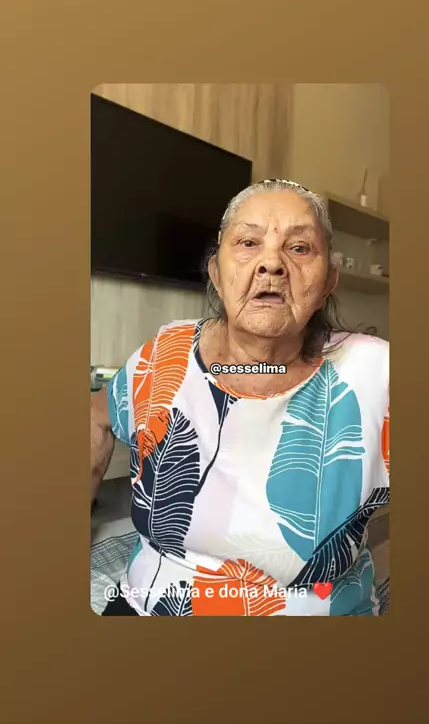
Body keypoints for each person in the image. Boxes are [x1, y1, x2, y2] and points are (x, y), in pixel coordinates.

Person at [91, 178, 390, 616]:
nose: (272, 264)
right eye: (248, 243)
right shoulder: (164, 354)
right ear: (216, 273)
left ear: (329, 279)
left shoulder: (375, 370)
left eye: (299, 248)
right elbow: (96, 417)